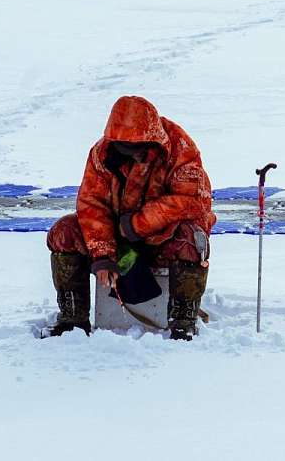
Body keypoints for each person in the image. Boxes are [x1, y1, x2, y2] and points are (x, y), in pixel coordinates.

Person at [45, 96, 216, 340]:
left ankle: (182, 320)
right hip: (118, 238)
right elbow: (91, 205)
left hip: (164, 237)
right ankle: (73, 318)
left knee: (193, 238)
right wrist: (103, 254)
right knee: (64, 232)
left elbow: (193, 201)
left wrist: (137, 225)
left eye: (138, 150)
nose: (133, 155)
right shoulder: (101, 155)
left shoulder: (181, 149)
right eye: (126, 149)